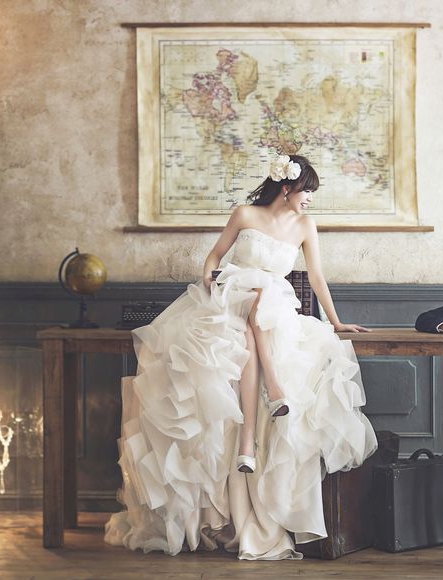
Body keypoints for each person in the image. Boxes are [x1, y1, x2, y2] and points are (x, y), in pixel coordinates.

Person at [105, 154, 378, 560]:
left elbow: (317, 277)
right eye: (307, 192)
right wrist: (208, 277)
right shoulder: (245, 214)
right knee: (254, 304)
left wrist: (336, 322)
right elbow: (215, 256)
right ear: (287, 187)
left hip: (271, 309)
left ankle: (247, 441)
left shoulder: (305, 225)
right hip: (230, 298)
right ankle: (274, 391)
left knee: (259, 313)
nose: (309, 200)